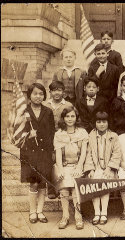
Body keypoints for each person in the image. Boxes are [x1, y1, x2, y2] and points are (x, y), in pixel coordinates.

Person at [20, 83, 55, 224]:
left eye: (41, 94)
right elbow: (16, 134)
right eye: (35, 93)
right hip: (29, 153)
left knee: (42, 184)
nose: (38, 96)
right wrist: (28, 135)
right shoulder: (23, 111)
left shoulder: (48, 111)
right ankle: (32, 212)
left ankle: (40, 212)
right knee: (33, 184)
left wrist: (51, 152)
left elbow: (52, 132)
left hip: (44, 153)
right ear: (29, 95)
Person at [84, 111, 122, 225]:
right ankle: (97, 213)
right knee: (94, 185)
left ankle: (104, 212)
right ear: (95, 123)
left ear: (108, 123)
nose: (101, 124)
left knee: (105, 184)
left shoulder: (113, 136)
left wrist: (110, 168)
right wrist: (90, 169)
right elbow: (88, 153)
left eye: (104, 122)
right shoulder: (90, 136)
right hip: (95, 167)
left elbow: (117, 153)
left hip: (108, 167)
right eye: (98, 122)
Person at [54, 106, 88, 230]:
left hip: (77, 166)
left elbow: (84, 153)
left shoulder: (82, 132)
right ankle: (65, 216)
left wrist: (79, 168)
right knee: (63, 189)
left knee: (75, 189)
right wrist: (60, 170)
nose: (70, 119)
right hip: (64, 165)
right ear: (63, 118)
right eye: (67, 116)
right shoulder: (59, 134)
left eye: (72, 116)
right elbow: (58, 154)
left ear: (76, 117)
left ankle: (78, 217)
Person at [43, 80, 74, 199]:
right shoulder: (45, 105)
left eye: (59, 90)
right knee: (50, 162)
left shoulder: (68, 105)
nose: (57, 93)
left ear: (63, 92)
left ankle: (65, 187)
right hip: (48, 137)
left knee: (64, 161)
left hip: (64, 136)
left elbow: (72, 120)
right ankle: (51, 189)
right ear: (50, 92)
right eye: (54, 90)